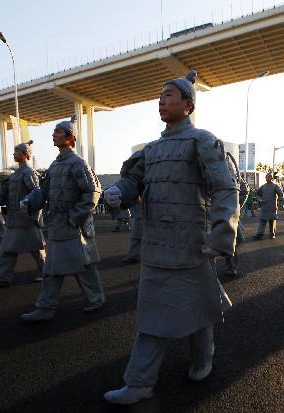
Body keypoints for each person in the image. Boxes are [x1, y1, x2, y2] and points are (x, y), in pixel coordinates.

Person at [102, 70, 239, 405]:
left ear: (188, 105)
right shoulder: (152, 149)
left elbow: (226, 187)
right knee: (152, 317)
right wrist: (118, 192)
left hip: (193, 246)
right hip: (155, 247)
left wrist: (221, 236)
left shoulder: (202, 141)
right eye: (161, 95)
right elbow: (132, 182)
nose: (161, 100)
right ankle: (139, 383)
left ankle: (202, 360)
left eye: (168, 95)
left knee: (200, 311)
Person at [20, 116, 106, 321]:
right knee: (63, 267)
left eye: (58, 132)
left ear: (71, 138)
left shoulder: (78, 163)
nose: (54, 135)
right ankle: (53, 305)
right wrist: (30, 200)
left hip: (74, 228)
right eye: (54, 132)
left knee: (75, 267)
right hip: (60, 225)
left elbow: (93, 192)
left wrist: (73, 217)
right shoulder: (55, 164)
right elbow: (45, 190)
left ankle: (50, 306)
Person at [0, 140, 45, 287]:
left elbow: (37, 194)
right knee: (9, 249)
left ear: (25, 155)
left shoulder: (30, 173)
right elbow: (4, 192)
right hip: (15, 218)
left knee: (36, 248)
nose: (14, 154)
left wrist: (29, 207)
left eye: (17, 151)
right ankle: (2, 277)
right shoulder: (15, 174)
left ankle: (46, 271)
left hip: (27, 219)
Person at [225, 166, 249, 276]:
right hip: (209, 210)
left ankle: (231, 266)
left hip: (225, 213)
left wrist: (236, 206)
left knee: (231, 242)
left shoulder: (229, 171)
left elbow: (244, 189)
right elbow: (245, 190)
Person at [253, 173, 283, 239]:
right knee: (262, 220)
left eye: (269, 177)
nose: (268, 178)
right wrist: (260, 200)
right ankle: (260, 234)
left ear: (271, 178)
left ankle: (272, 234)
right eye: (267, 177)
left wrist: (280, 204)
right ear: (265, 178)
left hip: (272, 207)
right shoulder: (263, 187)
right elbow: (258, 195)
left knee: (272, 221)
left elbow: (280, 194)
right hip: (264, 207)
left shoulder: (275, 186)